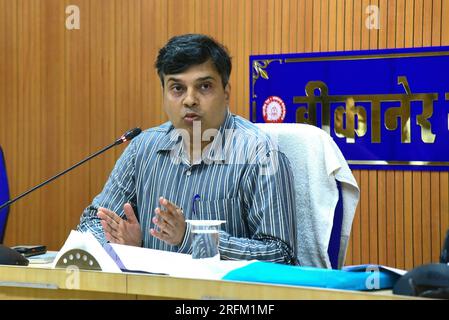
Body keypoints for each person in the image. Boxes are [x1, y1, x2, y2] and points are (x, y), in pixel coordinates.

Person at [77, 34, 297, 264]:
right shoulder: (141, 149)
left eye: (204, 86)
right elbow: (91, 221)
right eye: (177, 88)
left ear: (226, 92)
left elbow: (281, 254)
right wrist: (126, 247)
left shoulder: (260, 155)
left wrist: (193, 238)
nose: (190, 100)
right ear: (163, 94)